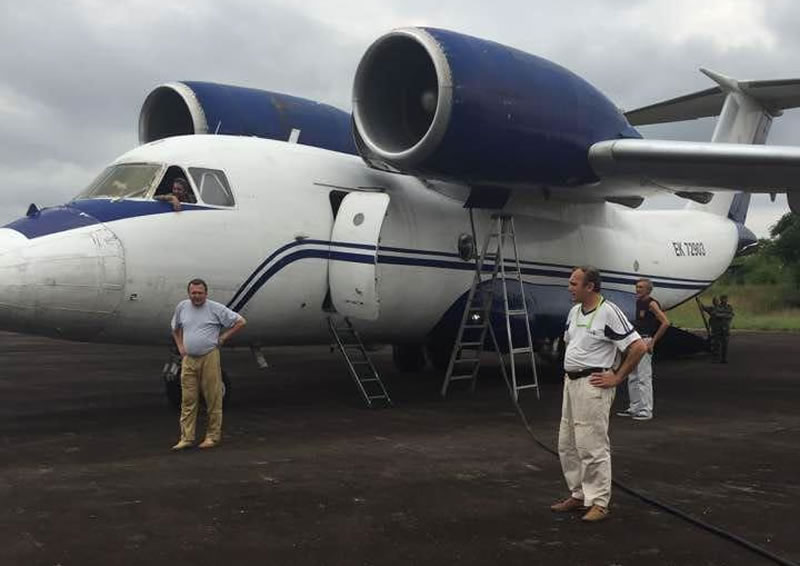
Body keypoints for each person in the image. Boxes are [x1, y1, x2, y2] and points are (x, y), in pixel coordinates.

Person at [550, 266, 647, 522]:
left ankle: (599, 502)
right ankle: (579, 494)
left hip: (593, 385)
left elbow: (638, 346)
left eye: (574, 283)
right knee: (568, 442)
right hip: (571, 384)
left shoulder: (608, 312)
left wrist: (617, 376)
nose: (569, 287)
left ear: (589, 287)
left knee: (591, 444)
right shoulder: (574, 312)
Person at [170, 279, 246, 450]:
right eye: (193, 293)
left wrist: (223, 338)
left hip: (209, 356)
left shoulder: (215, 308)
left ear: (206, 293)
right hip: (189, 358)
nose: (196, 296)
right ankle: (186, 438)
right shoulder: (182, 306)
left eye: (200, 293)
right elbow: (175, 328)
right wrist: (181, 346)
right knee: (188, 399)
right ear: (189, 293)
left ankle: (212, 436)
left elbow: (241, 321)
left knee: (213, 398)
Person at [617, 278, 670, 421]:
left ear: (648, 290)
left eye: (640, 287)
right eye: (637, 287)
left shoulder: (651, 304)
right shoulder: (638, 302)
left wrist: (653, 341)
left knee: (644, 376)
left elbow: (665, 322)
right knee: (632, 375)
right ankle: (635, 407)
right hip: (636, 341)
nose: (637, 289)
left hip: (645, 340)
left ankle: (646, 410)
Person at [703, 295, 734, 363]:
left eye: (725, 299)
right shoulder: (716, 307)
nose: (724, 300)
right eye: (722, 299)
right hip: (717, 328)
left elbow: (730, 315)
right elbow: (710, 311)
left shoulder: (729, 307)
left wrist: (719, 315)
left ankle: (724, 358)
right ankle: (715, 359)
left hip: (725, 328)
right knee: (716, 343)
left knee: (725, 344)